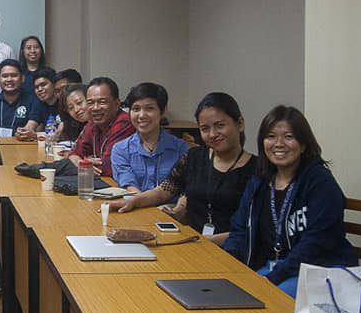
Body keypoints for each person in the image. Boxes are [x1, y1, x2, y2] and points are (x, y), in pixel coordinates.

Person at [224, 106, 358, 297]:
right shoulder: (259, 183)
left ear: (303, 145)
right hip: (274, 268)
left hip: (319, 270)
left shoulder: (320, 182)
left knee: (267, 299)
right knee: (231, 294)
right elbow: (239, 229)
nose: (279, 144)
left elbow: (317, 243)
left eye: (288, 137)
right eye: (271, 136)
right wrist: (230, 267)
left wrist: (274, 277)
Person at [109, 92, 257, 243]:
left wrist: (206, 241)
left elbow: (251, 230)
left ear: (239, 124)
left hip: (228, 249)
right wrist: (132, 202)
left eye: (220, 126)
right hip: (189, 241)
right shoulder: (194, 156)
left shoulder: (257, 170)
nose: (212, 134)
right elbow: (162, 192)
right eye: (205, 128)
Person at [110, 83, 189, 194]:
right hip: (136, 207)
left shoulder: (181, 148)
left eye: (149, 108)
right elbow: (128, 184)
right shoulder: (121, 149)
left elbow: (187, 188)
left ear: (163, 111)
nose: (142, 115)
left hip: (170, 209)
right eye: (136, 109)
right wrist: (147, 206)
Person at [68, 77, 135, 176]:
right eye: (90, 103)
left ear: (116, 104)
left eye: (102, 102)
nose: (95, 108)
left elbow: (106, 167)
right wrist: (80, 161)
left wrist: (83, 161)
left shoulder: (125, 124)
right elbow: (73, 153)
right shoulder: (93, 123)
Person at [0, 59, 37, 137]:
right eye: (5, 76)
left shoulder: (33, 102)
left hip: (23, 147)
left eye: (14, 75)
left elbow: (36, 136)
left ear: (22, 78)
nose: (9, 79)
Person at [15, 67, 59, 140]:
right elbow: (30, 125)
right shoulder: (39, 103)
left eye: (43, 84)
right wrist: (22, 132)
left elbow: (62, 135)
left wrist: (36, 136)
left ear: (54, 84)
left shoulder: (64, 102)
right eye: (36, 87)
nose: (40, 89)